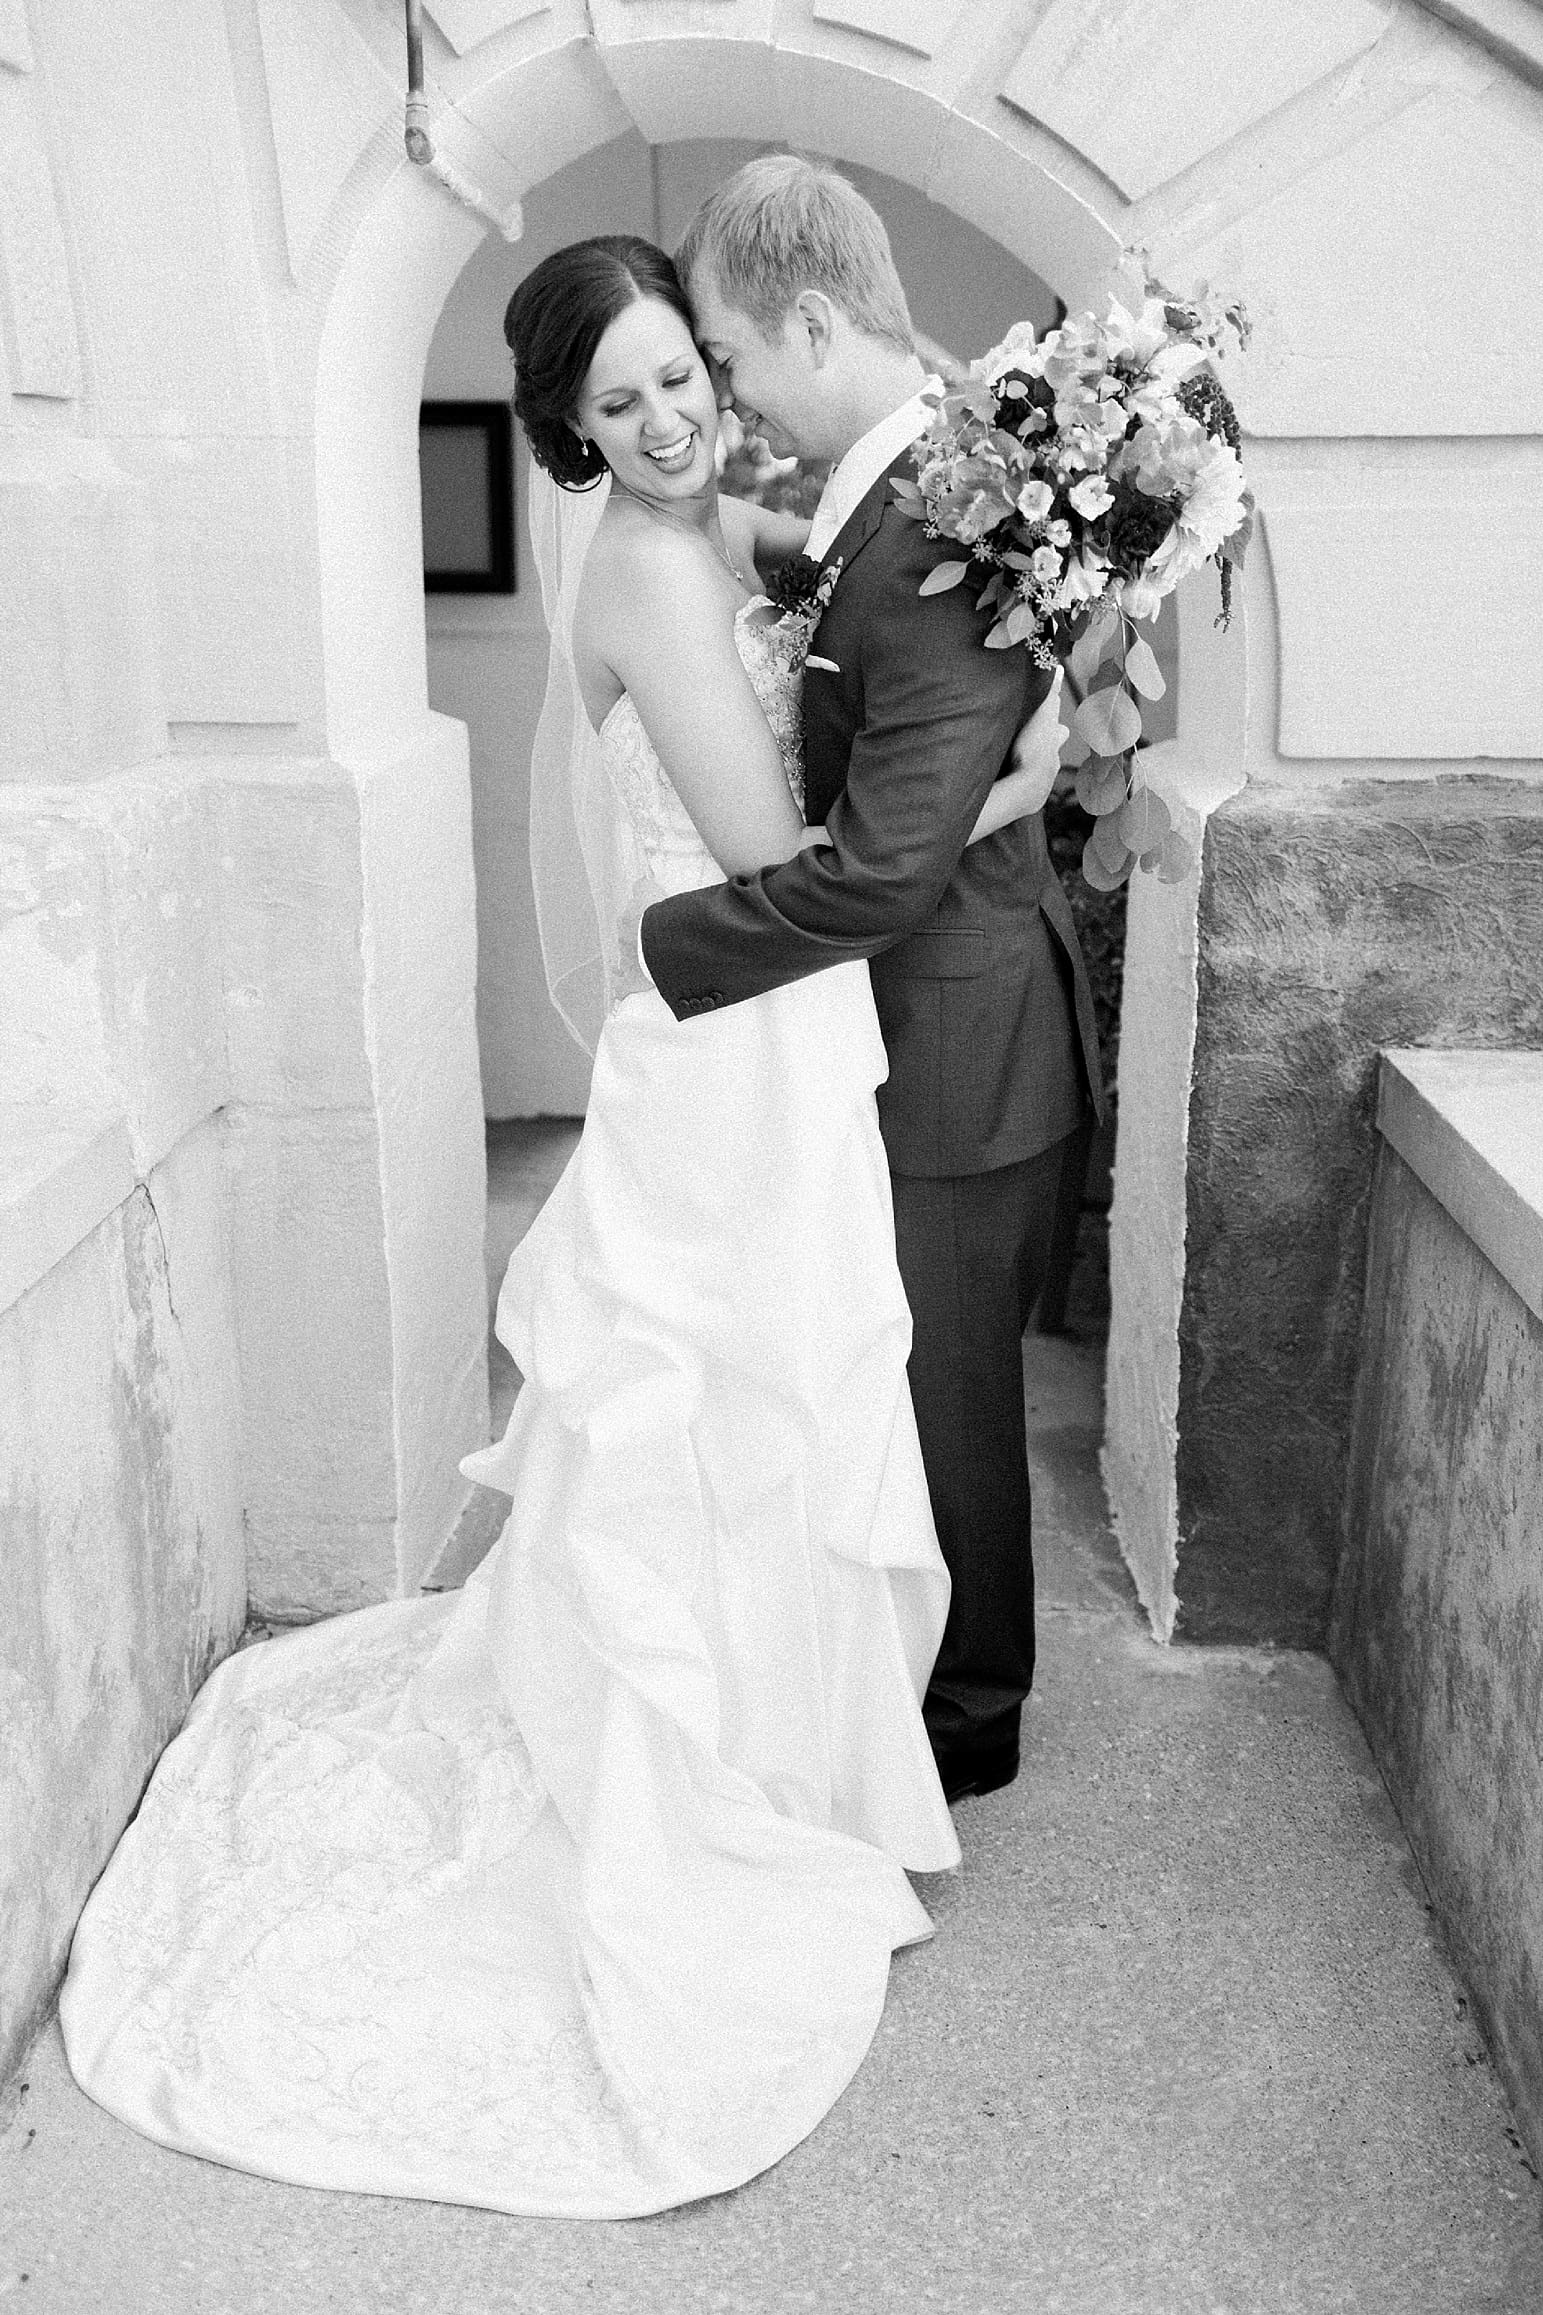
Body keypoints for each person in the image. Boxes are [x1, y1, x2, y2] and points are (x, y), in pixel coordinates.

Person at [58, 233, 1066, 2219]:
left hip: (756, 1031)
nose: (672, 417)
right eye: (620, 402)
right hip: (740, 1040)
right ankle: (734, 1770)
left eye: (682, 372)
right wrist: (991, 751)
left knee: (772, 1390)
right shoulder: (650, 569)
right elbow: (784, 857)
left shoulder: (716, 544)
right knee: (733, 1389)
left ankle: (783, 1737)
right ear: (572, 432)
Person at [632, 158, 1104, 1807]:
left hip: (963, 1048)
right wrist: (710, 522)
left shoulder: (931, 529)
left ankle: (968, 1727)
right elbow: (838, 612)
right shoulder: (920, 492)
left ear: (814, 321)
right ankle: (919, 1671)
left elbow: (886, 869)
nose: (731, 398)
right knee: (914, 1377)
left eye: (733, 359)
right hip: (951, 1017)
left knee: (951, 1395)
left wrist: (669, 950)